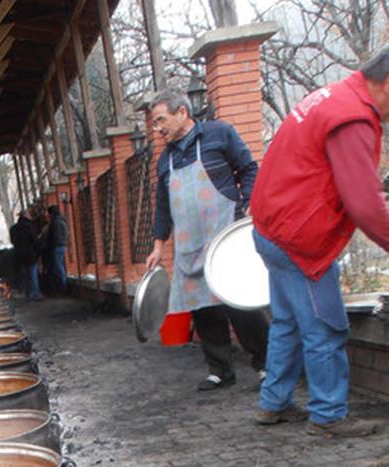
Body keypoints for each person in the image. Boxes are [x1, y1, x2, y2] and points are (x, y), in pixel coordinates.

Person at [250, 50, 389, 437]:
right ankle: (329, 415)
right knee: (325, 327)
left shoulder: (332, 96)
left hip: (270, 228)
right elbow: (365, 204)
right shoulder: (353, 117)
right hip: (300, 240)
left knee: (288, 323)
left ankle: (272, 403)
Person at [145, 87, 268, 391]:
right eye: (154, 122)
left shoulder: (219, 134)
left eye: (161, 120)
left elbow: (249, 169)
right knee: (202, 308)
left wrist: (248, 204)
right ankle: (220, 370)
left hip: (223, 235)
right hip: (189, 244)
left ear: (182, 112)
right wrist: (159, 245)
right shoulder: (165, 160)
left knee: (239, 303)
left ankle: (267, 364)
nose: (157, 128)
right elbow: (162, 205)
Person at [10, 209, 43, 300]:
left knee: (24, 275)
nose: (30, 216)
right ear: (25, 215)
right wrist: (38, 252)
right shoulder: (30, 226)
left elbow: (13, 241)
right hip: (30, 253)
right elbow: (35, 240)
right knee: (32, 274)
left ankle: (27, 294)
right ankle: (35, 293)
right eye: (29, 214)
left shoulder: (13, 228)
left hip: (19, 254)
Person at [45, 205, 69, 294]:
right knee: (60, 266)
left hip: (56, 246)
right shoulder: (63, 220)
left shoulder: (55, 222)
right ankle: (62, 286)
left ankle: (62, 287)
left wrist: (50, 245)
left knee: (58, 267)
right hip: (63, 245)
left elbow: (54, 236)